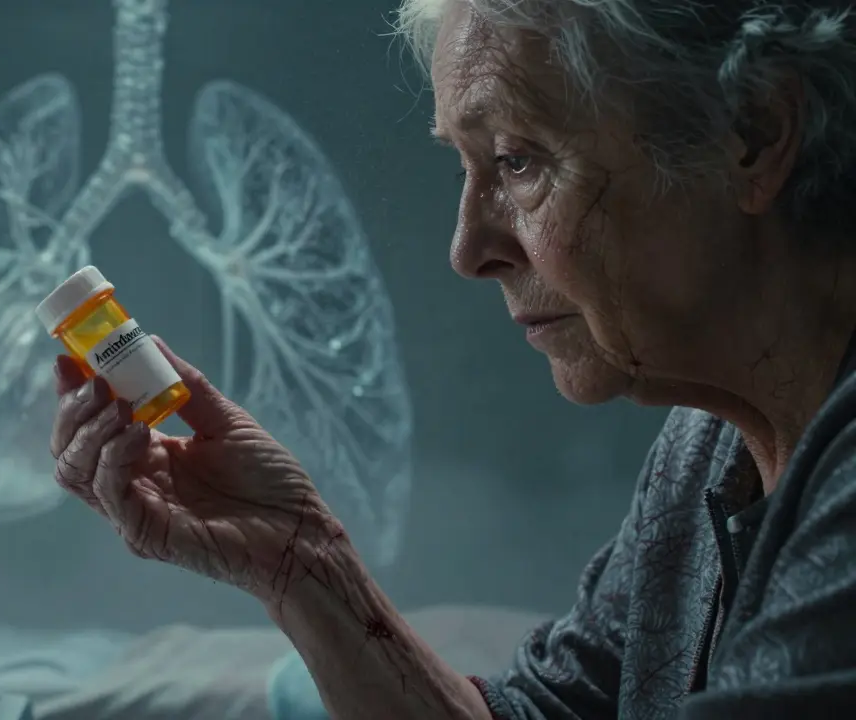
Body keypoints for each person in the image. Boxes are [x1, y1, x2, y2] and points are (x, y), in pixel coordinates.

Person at [47, 0, 856, 716]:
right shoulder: (706, 445)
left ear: (752, 132)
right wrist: (304, 565)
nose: (469, 250)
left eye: (518, 160)